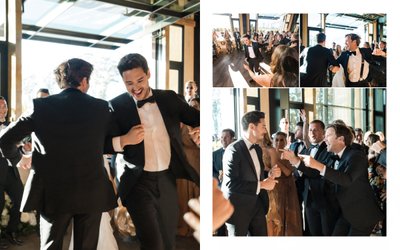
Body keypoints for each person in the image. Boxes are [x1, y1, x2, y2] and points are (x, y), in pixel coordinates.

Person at [0, 58, 131, 249]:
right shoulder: (102, 108)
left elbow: (5, 140)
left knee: (51, 246)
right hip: (91, 192)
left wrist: (19, 159)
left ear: (60, 82)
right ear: (85, 80)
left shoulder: (41, 106)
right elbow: (108, 144)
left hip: (53, 193)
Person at [108, 53, 200, 249]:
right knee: (153, 243)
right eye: (129, 83)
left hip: (167, 179)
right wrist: (124, 140)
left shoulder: (169, 98)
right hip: (137, 182)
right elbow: (103, 143)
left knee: (168, 240)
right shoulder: (116, 106)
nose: (135, 87)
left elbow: (197, 118)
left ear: (148, 73)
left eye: (140, 80)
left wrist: (200, 130)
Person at [301, 123, 383, 235]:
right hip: (345, 214)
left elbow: (347, 179)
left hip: (362, 214)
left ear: (340, 139)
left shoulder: (356, 155)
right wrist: (296, 162)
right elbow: (317, 172)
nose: (324, 139)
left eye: (328, 135)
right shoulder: (332, 156)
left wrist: (317, 165)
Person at [221, 111, 279, 236]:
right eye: (263, 126)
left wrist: (270, 175)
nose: (265, 130)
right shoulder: (233, 150)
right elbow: (231, 184)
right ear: (252, 127)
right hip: (237, 209)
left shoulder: (257, 149)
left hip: (257, 205)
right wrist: (262, 185)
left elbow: (257, 175)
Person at [0, 97, 24, 248]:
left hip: (11, 171)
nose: (4, 109)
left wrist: (23, 148)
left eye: (5, 106)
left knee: (21, 200)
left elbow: (18, 148)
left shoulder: (11, 126)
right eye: (1, 106)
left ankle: (11, 232)